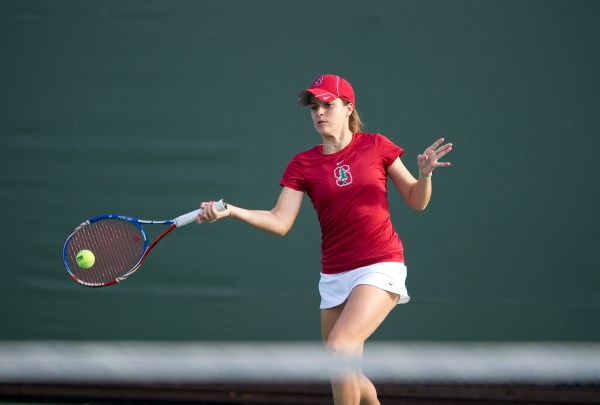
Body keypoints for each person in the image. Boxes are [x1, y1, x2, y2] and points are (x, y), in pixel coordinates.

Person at [198, 74, 453, 405]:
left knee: (340, 348)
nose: (319, 112)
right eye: (313, 106)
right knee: (345, 367)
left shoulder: (376, 145)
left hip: (380, 264)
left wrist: (425, 174)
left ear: (348, 108)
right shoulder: (302, 164)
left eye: (327, 105)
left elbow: (417, 200)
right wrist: (231, 210)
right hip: (334, 275)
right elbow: (280, 220)